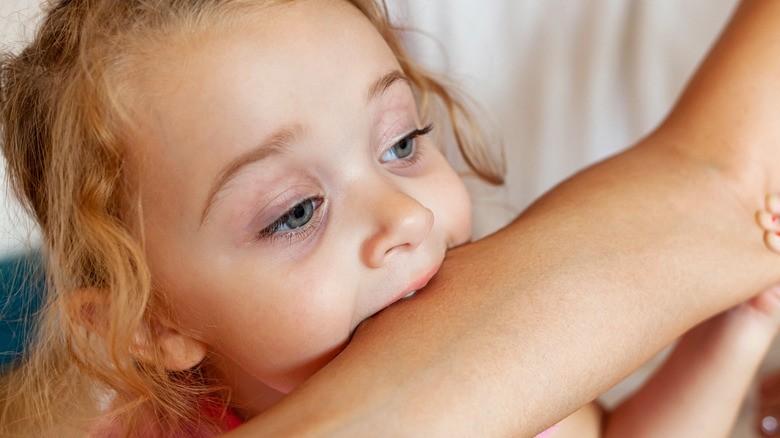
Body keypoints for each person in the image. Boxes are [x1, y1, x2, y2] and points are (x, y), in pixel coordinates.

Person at [1, 1, 780, 438]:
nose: (404, 216)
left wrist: (728, 338)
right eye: (296, 213)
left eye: (402, 143)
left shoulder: (485, 341)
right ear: (149, 325)